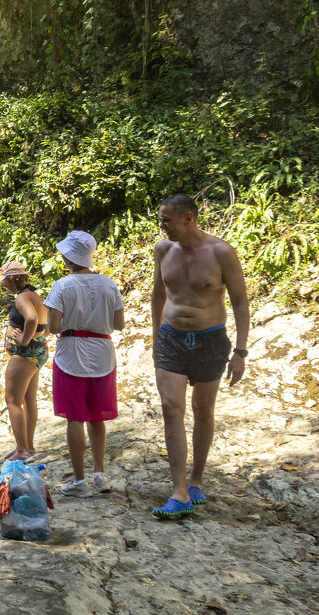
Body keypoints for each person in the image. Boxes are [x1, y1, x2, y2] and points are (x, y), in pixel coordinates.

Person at [150, 194, 249, 519]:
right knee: (171, 408)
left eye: (167, 220)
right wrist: (156, 340)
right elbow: (158, 295)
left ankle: (196, 480)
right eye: (160, 219)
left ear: (188, 218)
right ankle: (179, 492)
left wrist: (240, 352)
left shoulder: (221, 252)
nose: (161, 226)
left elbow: (240, 303)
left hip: (210, 341)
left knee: (203, 410)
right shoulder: (163, 250)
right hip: (171, 339)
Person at [44, 230, 125, 498]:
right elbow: (119, 324)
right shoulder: (109, 284)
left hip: (70, 354)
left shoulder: (62, 285)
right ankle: (100, 474)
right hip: (103, 353)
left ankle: (79, 480)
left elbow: (54, 325)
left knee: (75, 418)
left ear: (69, 257)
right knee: (97, 417)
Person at [0, 261, 48, 461]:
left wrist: (23, 340)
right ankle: (28, 446)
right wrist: (35, 338)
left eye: (5, 282)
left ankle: (22, 450)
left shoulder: (22, 298)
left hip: (24, 355)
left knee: (12, 401)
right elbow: (45, 323)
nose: (3, 286)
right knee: (29, 400)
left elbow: (32, 319)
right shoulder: (36, 296)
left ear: (13, 280)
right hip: (37, 353)